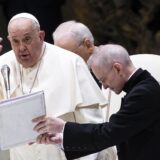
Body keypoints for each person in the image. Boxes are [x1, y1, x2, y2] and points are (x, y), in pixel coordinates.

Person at [0, 13, 108, 160]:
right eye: (15, 42)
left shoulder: (71, 63)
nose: (21, 48)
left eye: (27, 39)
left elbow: (91, 124)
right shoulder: (3, 64)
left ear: (40, 36)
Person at [33, 44, 160, 160]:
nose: (104, 86)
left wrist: (63, 127)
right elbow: (115, 133)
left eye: (103, 79)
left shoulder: (143, 93)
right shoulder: (142, 88)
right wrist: (62, 139)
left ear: (117, 68)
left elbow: (110, 132)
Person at [53, 20, 102, 88]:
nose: (65, 63)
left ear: (88, 45)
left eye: (69, 56)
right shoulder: (69, 77)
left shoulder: (111, 67)